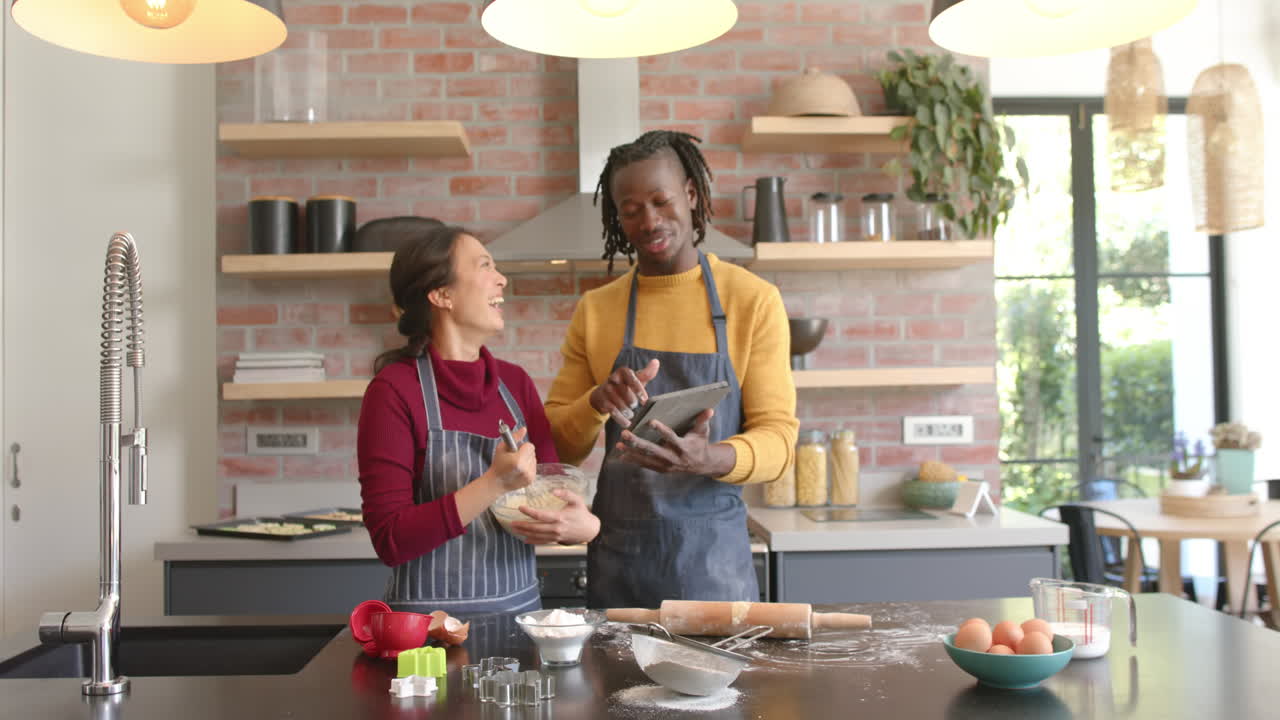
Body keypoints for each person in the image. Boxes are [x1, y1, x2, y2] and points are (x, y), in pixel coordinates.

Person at [544, 130, 799, 608]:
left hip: (713, 567)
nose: (649, 221)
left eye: (662, 201)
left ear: (691, 195)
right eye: (631, 208)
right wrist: (597, 402)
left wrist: (710, 458)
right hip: (620, 560)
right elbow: (558, 446)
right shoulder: (598, 310)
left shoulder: (752, 300)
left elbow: (780, 440)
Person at [358, 224, 600, 615]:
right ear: (442, 294)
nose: (501, 279)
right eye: (485, 265)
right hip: (429, 637)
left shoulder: (515, 384)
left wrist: (585, 528)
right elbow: (391, 540)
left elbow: (550, 498)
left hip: (520, 620)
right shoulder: (393, 391)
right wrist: (493, 483)